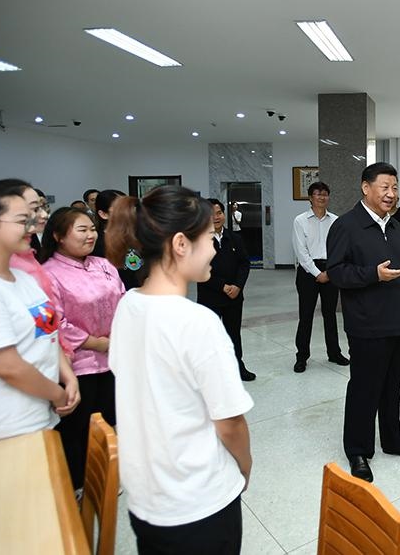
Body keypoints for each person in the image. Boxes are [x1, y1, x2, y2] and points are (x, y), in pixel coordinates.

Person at [106, 186, 253, 553]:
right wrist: (244, 469)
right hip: (198, 501)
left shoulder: (128, 304)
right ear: (181, 244)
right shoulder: (197, 322)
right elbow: (230, 422)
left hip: (146, 496)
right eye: (207, 239)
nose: (214, 249)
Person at [326, 162, 400, 483]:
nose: (391, 194)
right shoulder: (346, 225)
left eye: (395, 188)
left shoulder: (394, 225)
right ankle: (358, 449)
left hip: (398, 320)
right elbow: (336, 272)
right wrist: (373, 274)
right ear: (366, 187)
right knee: (364, 388)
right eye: (385, 187)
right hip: (367, 323)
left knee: (392, 386)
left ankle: (393, 440)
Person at [0, 181, 79, 446]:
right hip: (1, 428)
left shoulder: (23, 279)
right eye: (22, 220)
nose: (32, 227)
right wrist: (57, 394)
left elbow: (48, 332)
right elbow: (8, 367)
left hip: (38, 416)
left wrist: (68, 375)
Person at [40, 207, 125, 491]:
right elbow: (55, 321)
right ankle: (78, 485)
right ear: (58, 236)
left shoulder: (104, 264)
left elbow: (123, 299)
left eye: (92, 229)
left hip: (113, 357)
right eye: (82, 230)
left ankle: (106, 478)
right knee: (78, 430)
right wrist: (96, 342)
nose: (91, 235)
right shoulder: (48, 273)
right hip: (78, 364)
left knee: (108, 422)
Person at [292, 182, 349, 373]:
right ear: (310, 198)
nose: (322, 197)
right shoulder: (300, 220)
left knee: (330, 315)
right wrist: (318, 273)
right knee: (306, 316)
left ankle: (334, 353)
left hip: (330, 269)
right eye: (318, 194)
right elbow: (301, 252)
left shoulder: (335, 220)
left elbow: (340, 248)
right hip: (307, 272)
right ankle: (302, 357)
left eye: (325, 194)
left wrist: (329, 272)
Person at [196, 199, 255, 381]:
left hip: (234, 297)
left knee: (233, 333)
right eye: (211, 214)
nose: (216, 217)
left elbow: (244, 264)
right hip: (210, 297)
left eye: (219, 213)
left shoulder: (234, 238)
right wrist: (222, 286)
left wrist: (238, 285)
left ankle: (237, 366)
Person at [91, 189, 126, 258]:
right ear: (103, 214)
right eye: (120, 209)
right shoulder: (96, 243)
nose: (127, 212)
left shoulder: (138, 234)